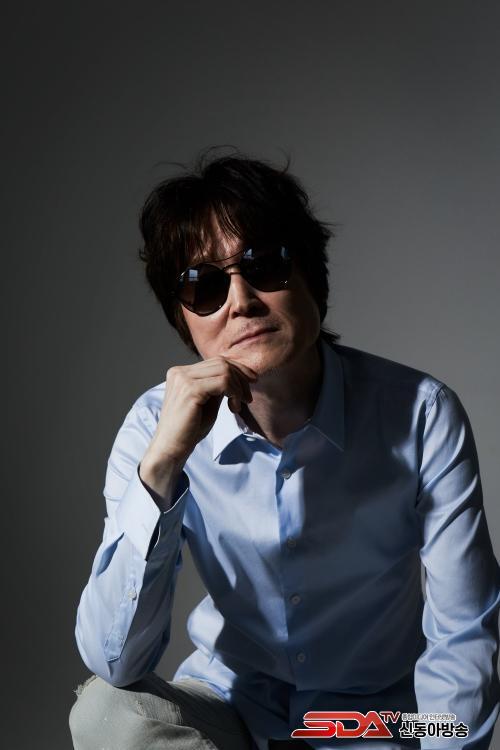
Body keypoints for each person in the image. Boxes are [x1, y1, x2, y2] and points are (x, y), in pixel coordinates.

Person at [69, 149, 500, 750]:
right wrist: (162, 467)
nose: (240, 301)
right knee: (105, 713)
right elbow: (114, 662)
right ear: (184, 319)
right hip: (233, 707)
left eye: (264, 264)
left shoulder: (423, 414)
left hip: (373, 722)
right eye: (203, 285)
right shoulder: (154, 426)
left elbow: (464, 637)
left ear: (312, 277)